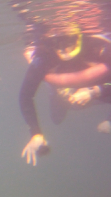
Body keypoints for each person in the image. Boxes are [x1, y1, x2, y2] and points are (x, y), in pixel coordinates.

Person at [20, 24, 111, 166]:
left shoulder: (99, 47)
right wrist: (36, 133)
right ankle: (55, 91)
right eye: (58, 42)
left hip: (103, 87)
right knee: (57, 118)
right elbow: (25, 96)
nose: (65, 50)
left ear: (80, 36)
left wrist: (95, 91)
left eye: (70, 41)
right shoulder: (44, 58)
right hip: (63, 91)